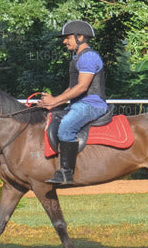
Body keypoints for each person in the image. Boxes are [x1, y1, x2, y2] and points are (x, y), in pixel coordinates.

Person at [39, 20, 107, 185]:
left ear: (80, 37)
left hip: (91, 105)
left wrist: (55, 100)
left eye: (68, 37)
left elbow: (82, 87)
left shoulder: (89, 57)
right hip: (79, 104)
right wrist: (53, 102)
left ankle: (66, 174)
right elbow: (72, 88)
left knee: (66, 128)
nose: (64, 41)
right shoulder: (78, 57)